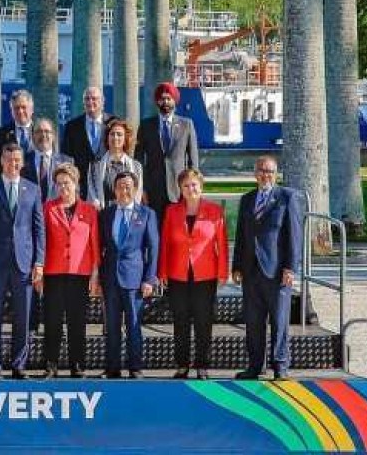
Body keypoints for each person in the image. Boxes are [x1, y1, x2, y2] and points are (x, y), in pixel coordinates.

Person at [0, 143, 45, 379]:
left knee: (23, 316)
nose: (13, 164)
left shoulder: (33, 190)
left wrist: (39, 262)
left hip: (24, 263)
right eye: (8, 159)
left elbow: (39, 229)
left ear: (22, 162)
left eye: (17, 160)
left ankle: (19, 364)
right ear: (1, 161)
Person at [233, 156, 303, 381]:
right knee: (253, 323)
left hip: (276, 272)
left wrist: (290, 268)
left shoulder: (287, 198)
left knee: (279, 321)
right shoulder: (247, 199)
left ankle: (280, 366)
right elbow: (241, 236)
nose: (266, 175)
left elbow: (294, 235)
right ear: (255, 173)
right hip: (250, 271)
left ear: (276, 174)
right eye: (262, 171)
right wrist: (236, 266)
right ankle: (255, 366)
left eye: (270, 172)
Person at [160, 167, 229, 379]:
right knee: (180, 321)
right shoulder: (171, 211)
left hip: (205, 274)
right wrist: (162, 271)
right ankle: (182, 364)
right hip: (177, 273)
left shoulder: (215, 211)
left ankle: (202, 364)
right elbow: (165, 244)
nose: (191, 189)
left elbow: (222, 244)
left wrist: (222, 272)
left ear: (201, 187)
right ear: (180, 189)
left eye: (194, 185)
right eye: (186, 186)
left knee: (203, 320)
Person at [37, 162, 100, 377]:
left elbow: (95, 244)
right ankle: (51, 366)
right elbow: (41, 242)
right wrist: (39, 271)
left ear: (76, 184)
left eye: (67, 183)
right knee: (53, 321)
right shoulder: (48, 208)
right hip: (53, 273)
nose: (63, 188)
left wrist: (95, 273)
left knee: (77, 322)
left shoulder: (89, 210)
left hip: (79, 274)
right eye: (59, 184)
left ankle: (77, 366)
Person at [98, 169, 159, 379]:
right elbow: (99, 247)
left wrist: (149, 279)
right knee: (112, 327)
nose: (123, 190)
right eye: (119, 186)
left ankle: (135, 367)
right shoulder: (105, 214)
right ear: (114, 190)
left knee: (134, 325)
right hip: (110, 278)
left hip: (135, 279)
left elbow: (153, 247)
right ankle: (112, 368)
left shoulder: (146, 214)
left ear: (134, 189)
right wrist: (97, 277)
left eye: (127, 186)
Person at [138, 82, 200, 219]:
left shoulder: (186, 125)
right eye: (162, 99)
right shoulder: (146, 125)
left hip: (179, 190)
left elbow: (193, 159)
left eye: (168, 98)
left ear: (175, 101)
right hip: (154, 191)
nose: (165, 102)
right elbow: (139, 160)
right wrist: (142, 188)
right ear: (157, 102)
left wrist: (192, 187)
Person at [88, 118, 143, 207]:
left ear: (125, 139)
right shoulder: (95, 165)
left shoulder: (136, 166)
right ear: (107, 138)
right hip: (103, 215)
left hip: (128, 215)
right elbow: (92, 194)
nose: (115, 137)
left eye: (119, 134)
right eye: (112, 134)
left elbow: (137, 194)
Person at [62, 86, 109, 181]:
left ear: (102, 101)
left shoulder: (112, 123)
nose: (90, 102)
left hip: (107, 183)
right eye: (87, 99)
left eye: (94, 98)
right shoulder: (72, 126)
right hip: (81, 184)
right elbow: (66, 157)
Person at [0, 89, 39, 166]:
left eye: (24, 107)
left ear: (32, 109)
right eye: (16, 108)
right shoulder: (1, 134)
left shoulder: (41, 131)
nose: (20, 111)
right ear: (11, 111)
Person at [27, 120, 64, 202]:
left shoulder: (66, 162)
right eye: (39, 131)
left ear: (53, 136)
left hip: (58, 212)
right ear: (32, 136)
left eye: (47, 131)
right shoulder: (23, 161)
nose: (43, 135)